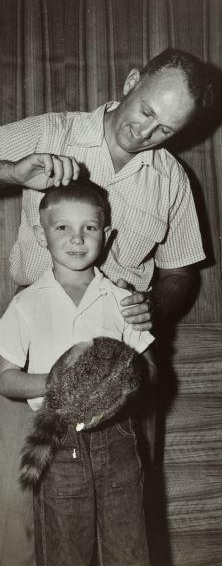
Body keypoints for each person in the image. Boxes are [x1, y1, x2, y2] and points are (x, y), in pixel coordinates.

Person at [0, 47, 212, 566]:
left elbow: (181, 271)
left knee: (128, 522)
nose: (146, 132)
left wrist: (151, 308)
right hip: (36, 353)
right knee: (23, 520)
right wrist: (11, 172)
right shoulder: (53, 132)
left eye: (166, 129)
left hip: (123, 362)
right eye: (146, 111)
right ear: (132, 80)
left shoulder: (173, 182)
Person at [0, 181, 156, 566]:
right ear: (41, 235)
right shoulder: (26, 304)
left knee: (128, 546)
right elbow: (4, 376)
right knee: (65, 548)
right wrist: (51, 385)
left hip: (116, 433)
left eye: (89, 227)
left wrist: (122, 383)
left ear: (107, 235)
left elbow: (151, 369)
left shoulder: (123, 300)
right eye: (62, 228)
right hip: (56, 434)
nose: (77, 238)